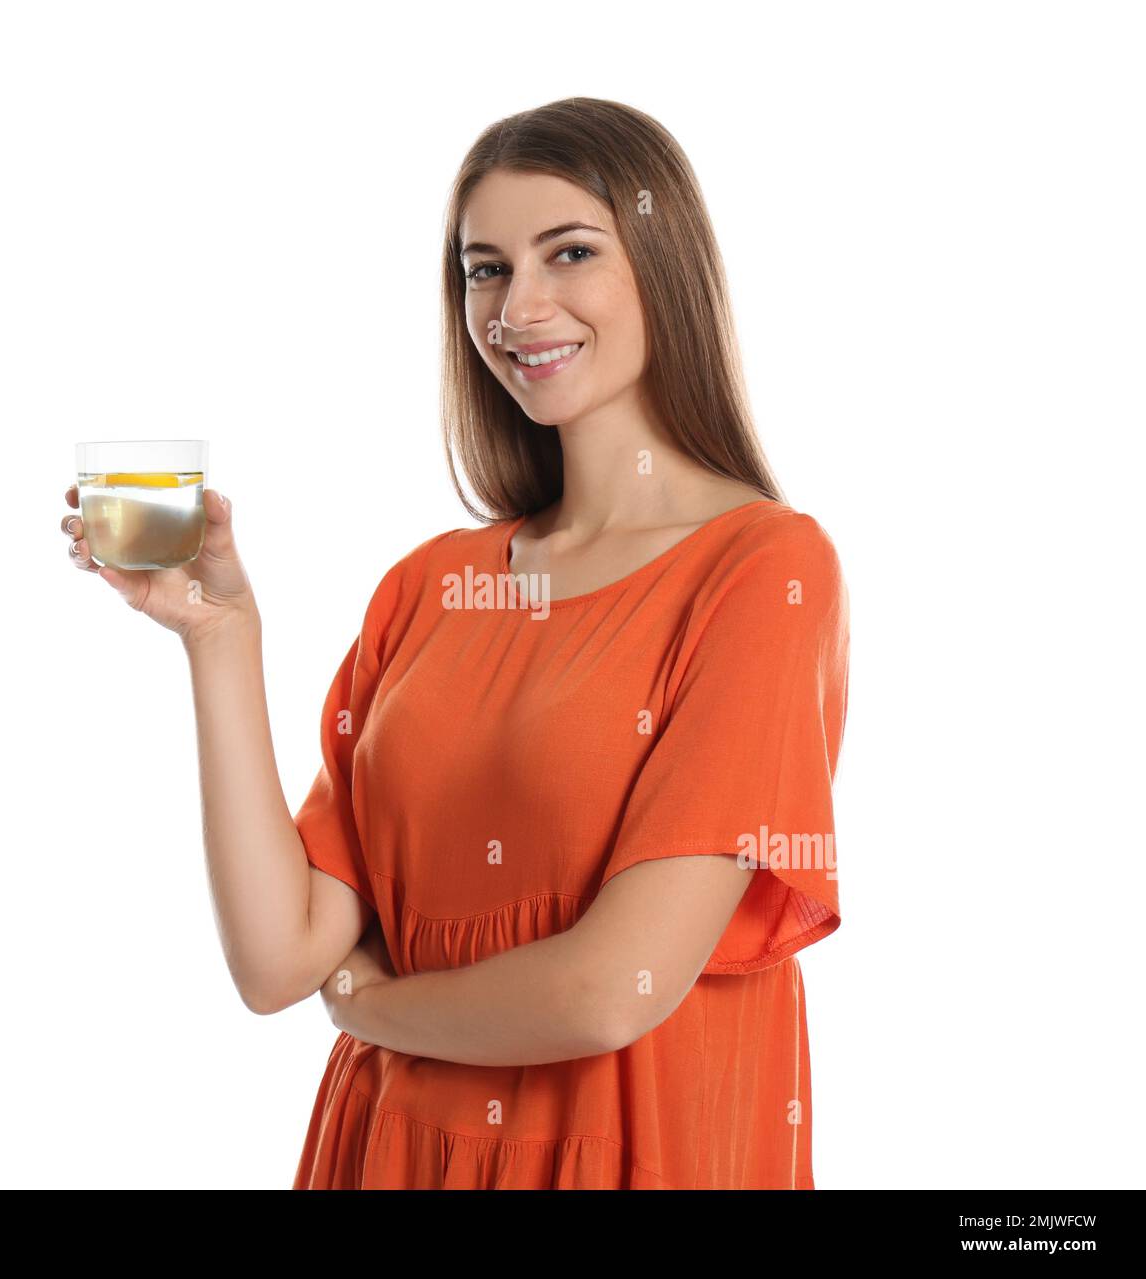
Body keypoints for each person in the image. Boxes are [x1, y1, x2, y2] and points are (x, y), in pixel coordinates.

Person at [59, 96, 850, 1190]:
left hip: (624, 1158)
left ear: (664, 263)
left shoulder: (763, 570)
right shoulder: (431, 587)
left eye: (567, 252)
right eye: (485, 269)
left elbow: (612, 988)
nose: (518, 306)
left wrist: (370, 1005)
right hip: (384, 1152)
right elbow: (278, 955)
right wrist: (220, 640)